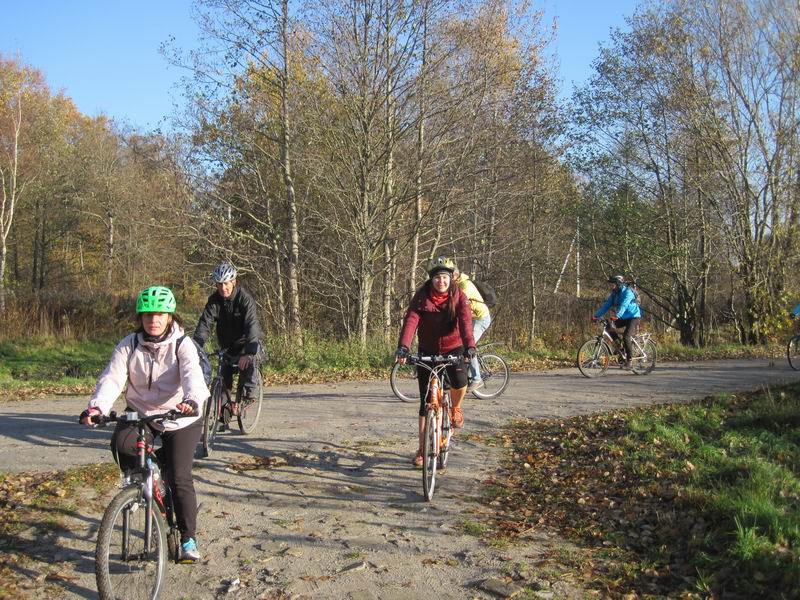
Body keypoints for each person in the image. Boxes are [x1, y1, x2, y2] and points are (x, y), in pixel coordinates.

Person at [80, 286, 209, 563]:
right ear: (140, 318)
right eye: (148, 315)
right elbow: (112, 378)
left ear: (170, 316)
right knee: (121, 445)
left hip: (180, 415)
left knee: (179, 476)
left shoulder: (182, 344)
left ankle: (188, 538)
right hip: (141, 412)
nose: (154, 320)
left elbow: (192, 376)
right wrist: (97, 407)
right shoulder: (129, 344)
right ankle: (145, 483)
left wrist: (192, 400)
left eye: (160, 314)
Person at [395, 256, 477, 467]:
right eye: (438, 277)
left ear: (451, 279)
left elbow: (466, 323)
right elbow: (411, 320)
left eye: (445, 277)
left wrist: (470, 346)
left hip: (454, 348)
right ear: (432, 279)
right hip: (427, 350)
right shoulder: (422, 297)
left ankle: (456, 408)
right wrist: (404, 346)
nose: (441, 281)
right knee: (425, 403)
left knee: (459, 381)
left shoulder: (459, 297)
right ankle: (422, 450)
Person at [193, 262, 263, 415]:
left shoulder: (244, 299)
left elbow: (252, 325)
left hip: (247, 342)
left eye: (226, 283)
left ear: (233, 282)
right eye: (219, 284)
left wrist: (248, 352)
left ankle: (248, 396)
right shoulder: (214, 301)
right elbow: (204, 325)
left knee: (250, 364)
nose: (222, 288)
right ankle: (224, 410)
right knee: (223, 375)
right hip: (227, 344)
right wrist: (195, 348)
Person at [453, 264, 491, 390]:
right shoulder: (457, 284)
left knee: (468, 346)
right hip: (473, 319)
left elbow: (458, 304)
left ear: (455, 276)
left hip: (481, 318)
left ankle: (477, 378)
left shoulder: (464, 285)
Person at [592, 275, 642, 369]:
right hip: (623, 317)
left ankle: (629, 361)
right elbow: (606, 306)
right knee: (608, 326)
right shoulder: (614, 294)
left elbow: (624, 305)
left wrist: (617, 316)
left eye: (613, 284)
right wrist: (595, 316)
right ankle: (621, 348)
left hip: (633, 317)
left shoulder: (628, 292)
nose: (611, 286)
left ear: (618, 284)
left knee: (626, 336)